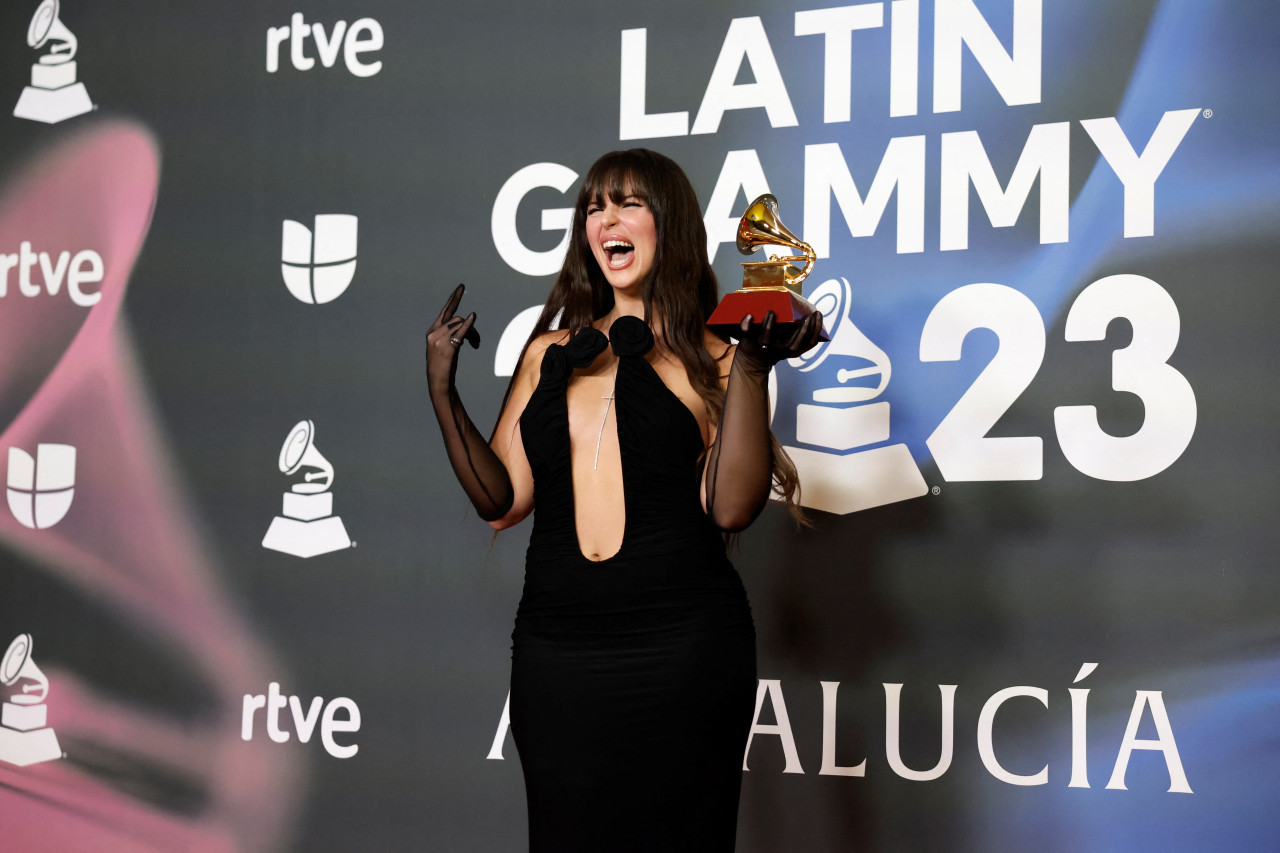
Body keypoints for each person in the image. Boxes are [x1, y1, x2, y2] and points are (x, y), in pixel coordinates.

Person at [425, 149, 821, 851]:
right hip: (558, 656)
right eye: (594, 205)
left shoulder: (716, 352)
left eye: (629, 202)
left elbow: (729, 507)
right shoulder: (548, 352)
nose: (606, 217)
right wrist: (443, 389)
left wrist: (754, 366)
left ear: (668, 224)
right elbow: (502, 499)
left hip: (685, 650)